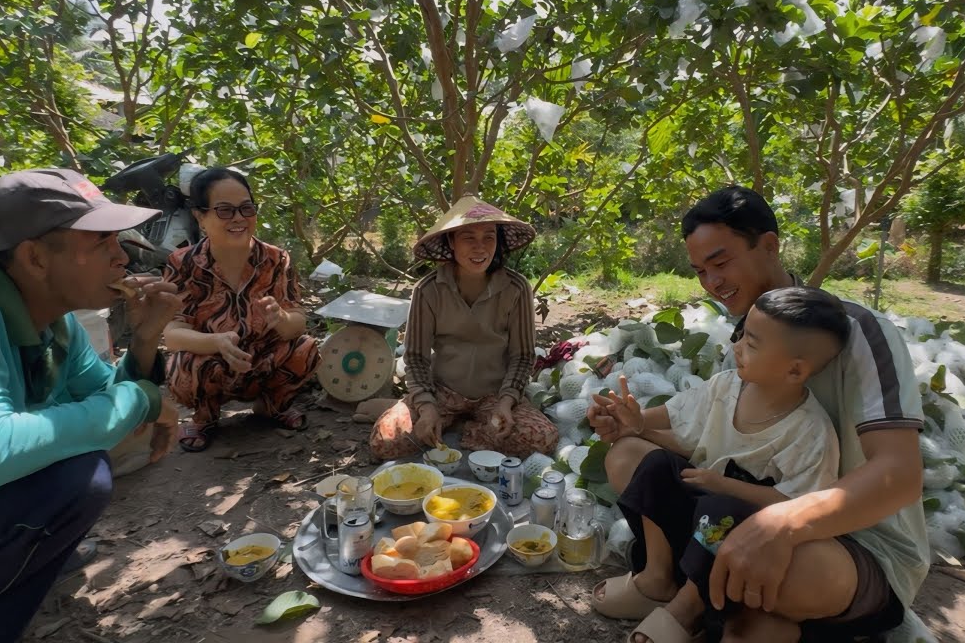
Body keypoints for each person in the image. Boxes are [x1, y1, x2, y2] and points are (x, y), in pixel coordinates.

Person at [587, 186, 928, 642]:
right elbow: (710, 412)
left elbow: (898, 475)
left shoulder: (858, 333)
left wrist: (786, 522)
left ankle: (698, 607)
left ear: (769, 245)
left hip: (848, 539)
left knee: (762, 578)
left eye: (721, 262)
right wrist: (635, 421)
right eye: (701, 271)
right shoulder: (748, 332)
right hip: (741, 506)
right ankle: (667, 583)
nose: (712, 282)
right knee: (629, 454)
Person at [0, 168, 182, 643]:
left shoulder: (53, 326)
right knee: (76, 480)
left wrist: (145, 341)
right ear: (35, 258)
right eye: (101, 242)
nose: (122, 257)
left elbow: (111, 419)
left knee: (76, 474)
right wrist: (140, 398)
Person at [593, 287, 849, 643]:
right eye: (742, 335)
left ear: (795, 371)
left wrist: (726, 486)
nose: (737, 347)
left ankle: (687, 608)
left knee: (722, 509)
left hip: (743, 542)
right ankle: (657, 576)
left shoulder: (810, 431)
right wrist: (635, 425)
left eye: (753, 344)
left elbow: (801, 506)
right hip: (698, 511)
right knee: (651, 464)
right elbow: (681, 424)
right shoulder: (726, 387)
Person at [369, 195, 559, 460]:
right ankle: (444, 419)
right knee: (384, 443)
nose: (480, 248)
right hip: (442, 392)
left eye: (489, 237)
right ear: (451, 242)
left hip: (495, 394)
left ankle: (466, 426)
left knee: (542, 437)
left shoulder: (516, 289)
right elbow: (415, 356)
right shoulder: (428, 289)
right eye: (469, 238)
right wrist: (426, 406)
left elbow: (523, 355)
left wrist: (506, 402)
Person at [162, 168, 320, 452]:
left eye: (246, 208)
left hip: (264, 363)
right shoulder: (182, 263)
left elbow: (298, 322)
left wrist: (282, 319)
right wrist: (216, 343)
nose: (239, 218)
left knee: (307, 349)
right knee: (181, 364)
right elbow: (173, 334)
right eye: (224, 210)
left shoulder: (275, 259)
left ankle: (272, 407)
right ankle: (205, 417)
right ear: (200, 215)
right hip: (213, 367)